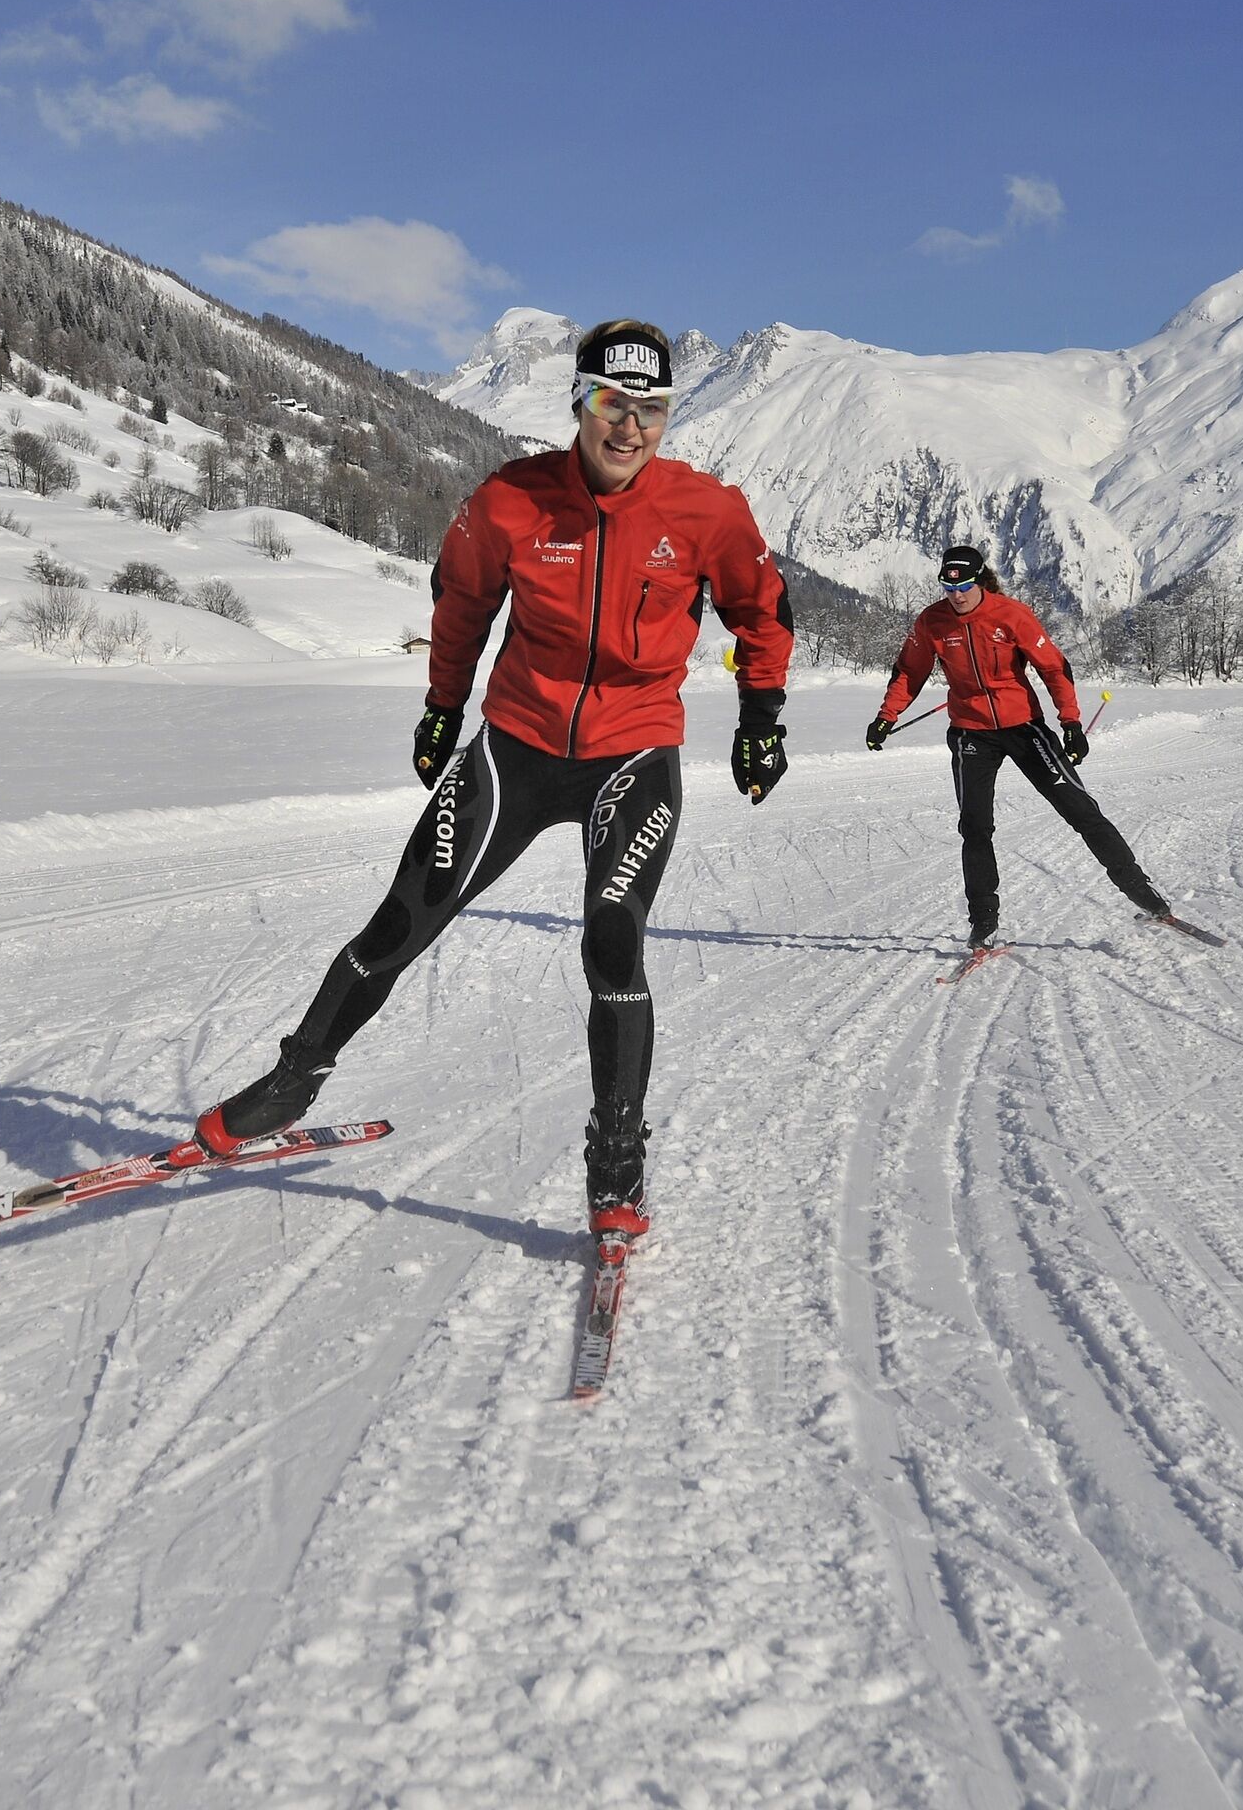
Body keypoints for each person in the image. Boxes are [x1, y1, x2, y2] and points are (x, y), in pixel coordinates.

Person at [190, 319, 795, 1241]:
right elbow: (462, 604)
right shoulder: (511, 500)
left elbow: (764, 611)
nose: (629, 427)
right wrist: (441, 708)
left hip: (632, 755)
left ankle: (617, 1162)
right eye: (611, 403)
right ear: (579, 405)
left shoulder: (707, 510)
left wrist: (761, 720)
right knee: (401, 919)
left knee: (612, 942)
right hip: (514, 747)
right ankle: (293, 1079)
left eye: (651, 410)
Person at [869, 542, 1179, 950]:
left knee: (1080, 810)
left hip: (1025, 729)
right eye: (947, 585)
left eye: (963, 585)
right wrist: (886, 717)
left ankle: (1145, 895)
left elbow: (1054, 667)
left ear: (980, 581)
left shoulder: (1011, 615)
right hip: (970, 733)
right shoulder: (932, 622)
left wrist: (1070, 723)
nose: (956, 594)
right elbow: (909, 671)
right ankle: (983, 924)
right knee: (975, 828)